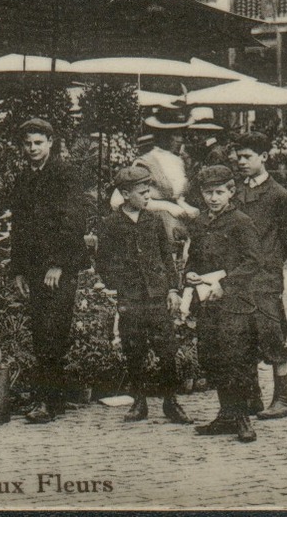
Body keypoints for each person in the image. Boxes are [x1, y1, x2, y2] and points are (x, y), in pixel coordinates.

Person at [7, 118, 92, 424]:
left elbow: (73, 220)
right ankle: (49, 396)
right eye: (28, 144)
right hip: (32, 266)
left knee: (54, 328)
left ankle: (47, 400)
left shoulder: (65, 174)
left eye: (38, 143)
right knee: (40, 329)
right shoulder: (23, 179)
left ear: (50, 142)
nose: (32, 149)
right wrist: (16, 270)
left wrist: (58, 263)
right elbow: (18, 227)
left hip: (60, 265)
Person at [94, 165, 190, 424]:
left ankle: (171, 402)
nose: (148, 197)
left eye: (149, 192)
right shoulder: (111, 224)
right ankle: (139, 402)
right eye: (142, 193)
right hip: (131, 298)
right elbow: (102, 261)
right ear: (125, 194)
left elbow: (166, 257)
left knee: (167, 349)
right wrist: (119, 283)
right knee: (134, 347)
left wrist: (172, 289)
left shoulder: (154, 220)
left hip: (157, 295)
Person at [183, 165, 262, 443]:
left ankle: (242, 419)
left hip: (235, 303)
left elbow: (253, 261)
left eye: (219, 192)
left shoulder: (241, 221)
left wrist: (225, 285)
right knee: (212, 356)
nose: (213, 198)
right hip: (208, 302)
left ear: (231, 191)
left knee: (235, 358)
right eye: (208, 193)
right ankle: (226, 414)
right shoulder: (201, 222)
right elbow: (194, 257)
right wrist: (189, 273)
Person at [229, 131, 287, 421]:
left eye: (247, 157)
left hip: (266, 277)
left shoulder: (280, 196)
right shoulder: (237, 192)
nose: (241, 162)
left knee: (272, 334)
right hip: (240, 276)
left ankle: (282, 398)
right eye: (238, 157)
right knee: (244, 335)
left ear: (264, 158)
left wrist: (270, 260)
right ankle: (252, 395)